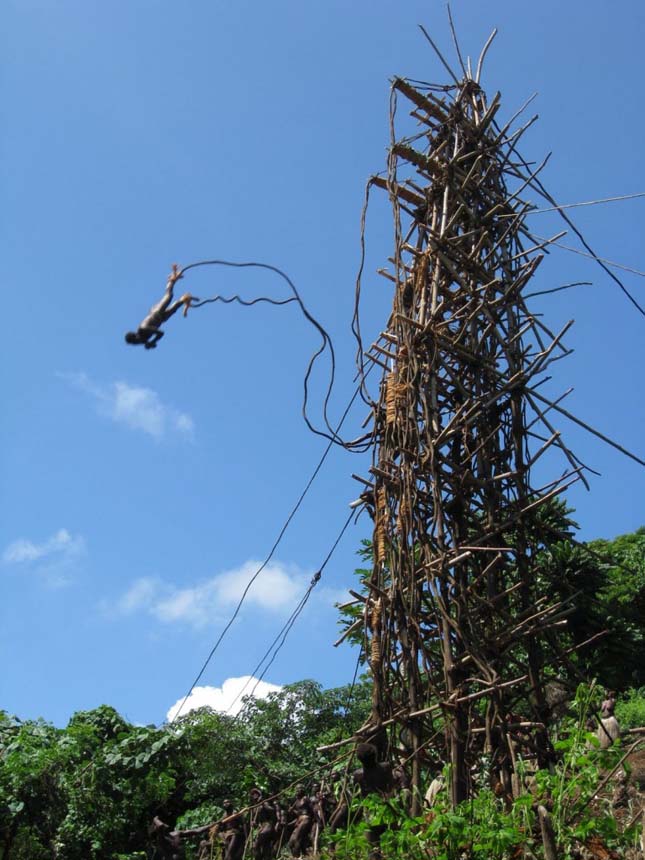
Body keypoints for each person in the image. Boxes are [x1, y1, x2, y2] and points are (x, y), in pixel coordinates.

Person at [125, 265, 196, 349]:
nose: (137, 343)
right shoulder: (142, 340)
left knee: (169, 296)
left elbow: (160, 333)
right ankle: (185, 298)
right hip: (161, 319)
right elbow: (156, 340)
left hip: (156, 312)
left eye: (135, 341)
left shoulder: (143, 329)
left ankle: (172, 280)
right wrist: (151, 344)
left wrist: (152, 342)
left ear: (135, 336)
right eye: (134, 343)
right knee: (175, 308)